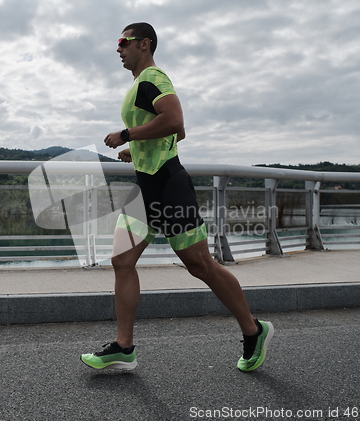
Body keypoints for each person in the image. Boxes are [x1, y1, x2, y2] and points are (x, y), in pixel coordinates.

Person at [80, 22, 274, 372]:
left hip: (168, 186)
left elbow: (175, 122)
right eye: (118, 44)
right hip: (144, 187)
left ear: (145, 44)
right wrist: (135, 147)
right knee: (121, 261)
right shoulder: (140, 85)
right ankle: (124, 347)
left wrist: (126, 134)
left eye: (124, 42)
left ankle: (254, 330)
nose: (119, 49)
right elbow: (172, 130)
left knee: (200, 265)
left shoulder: (155, 78)